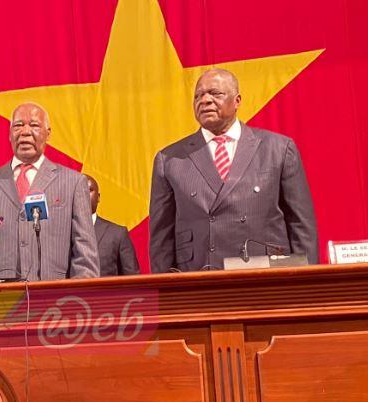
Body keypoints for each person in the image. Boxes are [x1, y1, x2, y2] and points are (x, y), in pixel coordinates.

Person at [149, 69, 318, 272]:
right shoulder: (170, 159)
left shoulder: (278, 149)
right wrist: (166, 293)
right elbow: (161, 239)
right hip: (199, 281)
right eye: (198, 96)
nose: (205, 100)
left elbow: (301, 225)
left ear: (237, 100)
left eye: (215, 93)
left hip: (266, 278)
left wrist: (307, 282)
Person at [0, 102, 99, 281]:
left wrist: (74, 302)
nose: (25, 132)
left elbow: (85, 260)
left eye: (34, 125)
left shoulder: (73, 183)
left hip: (54, 302)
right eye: (18, 125)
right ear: (10, 134)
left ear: (48, 133)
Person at [85, 174, 140, 276]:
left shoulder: (117, 234)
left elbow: (133, 280)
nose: (83, 194)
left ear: (98, 197)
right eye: (78, 190)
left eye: (89, 190)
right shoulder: (58, 234)